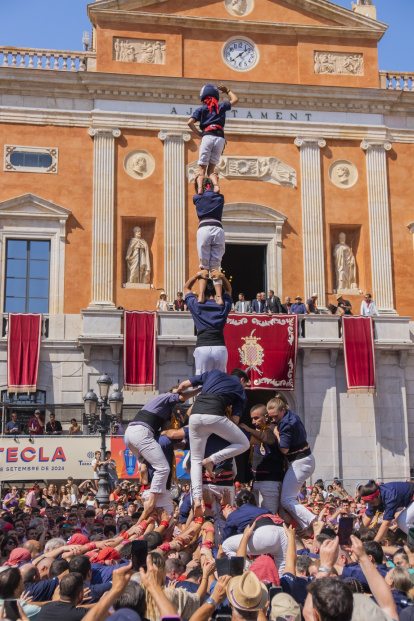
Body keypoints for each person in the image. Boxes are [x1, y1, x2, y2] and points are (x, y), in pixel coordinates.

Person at [176, 368, 250, 512]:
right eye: (245, 385)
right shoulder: (240, 389)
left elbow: (184, 385)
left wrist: (176, 391)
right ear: (242, 380)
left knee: (196, 460)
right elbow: (234, 420)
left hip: (195, 416)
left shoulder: (213, 373)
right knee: (243, 443)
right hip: (215, 415)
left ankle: (197, 499)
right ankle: (212, 459)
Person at [124, 387, 199, 516]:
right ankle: (150, 502)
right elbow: (181, 398)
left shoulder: (159, 436)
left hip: (132, 435)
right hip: (141, 432)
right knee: (163, 468)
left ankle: (143, 467)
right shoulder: (165, 398)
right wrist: (201, 390)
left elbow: (181, 443)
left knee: (144, 461)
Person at [267, 397, 316, 531]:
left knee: (286, 500)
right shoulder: (291, 415)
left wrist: (276, 434)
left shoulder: (285, 423)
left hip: (300, 462)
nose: (273, 420)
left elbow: (284, 448)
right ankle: (306, 527)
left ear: (283, 410)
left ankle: (314, 521)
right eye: (271, 417)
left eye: (275, 416)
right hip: (303, 460)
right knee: (289, 499)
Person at [188, 83, 239, 194]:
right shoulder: (221, 107)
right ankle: (216, 186)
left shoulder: (201, 110)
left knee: (201, 170)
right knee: (211, 170)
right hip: (220, 138)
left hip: (208, 137)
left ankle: (200, 189)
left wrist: (199, 133)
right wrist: (227, 90)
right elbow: (235, 99)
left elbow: (190, 122)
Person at [184, 270, 232, 374]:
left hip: (203, 348)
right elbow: (228, 290)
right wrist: (222, 277)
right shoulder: (222, 305)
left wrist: (197, 275)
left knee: (202, 383)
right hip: (220, 348)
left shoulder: (197, 305)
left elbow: (186, 288)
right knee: (219, 382)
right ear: (216, 292)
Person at [240, 404, 285, 515]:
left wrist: (248, 429)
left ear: (266, 417)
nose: (253, 422)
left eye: (256, 418)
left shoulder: (273, 430)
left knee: (268, 517)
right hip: (257, 482)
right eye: (252, 419)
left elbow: (268, 439)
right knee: (257, 517)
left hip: (270, 482)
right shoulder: (256, 433)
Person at [193, 176, 226, 303]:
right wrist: (215, 181)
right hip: (218, 229)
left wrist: (198, 183)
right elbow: (217, 190)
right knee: (216, 266)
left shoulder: (197, 198)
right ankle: (219, 297)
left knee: (204, 266)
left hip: (204, 228)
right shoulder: (220, 198)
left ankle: (201, 295)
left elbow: (198, 192)